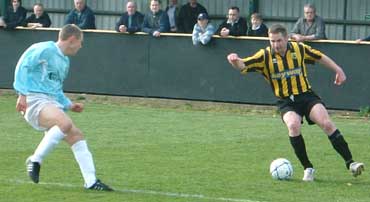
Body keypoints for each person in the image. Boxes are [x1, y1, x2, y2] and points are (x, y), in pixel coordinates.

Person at [227, 24, 364, 182]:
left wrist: (338, 70)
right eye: (272, 41)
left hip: (307, 96)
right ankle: (308, 168)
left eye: (279, 40)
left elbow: (319, 57)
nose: (276, 45)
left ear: (286, 38)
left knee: (326, 123)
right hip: (286, 101)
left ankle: (351, 163)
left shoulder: (299, 49)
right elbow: (243, 64)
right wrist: (234, 61)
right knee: (293, 125)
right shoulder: (264, 56)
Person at [13, 24, 113, 191]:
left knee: (76, 135)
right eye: (80, 42)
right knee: (64, 124)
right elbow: (22, 66)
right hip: (34, 99)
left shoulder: (65, 61)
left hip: (50, 102)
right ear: (72, 40)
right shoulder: (43, 49)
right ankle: (35, 159)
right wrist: (22, 94)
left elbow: (55, 89)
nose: (81, 46)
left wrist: (69, 104)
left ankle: (91, 181)